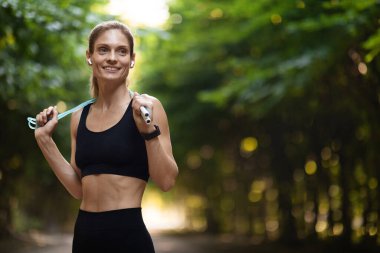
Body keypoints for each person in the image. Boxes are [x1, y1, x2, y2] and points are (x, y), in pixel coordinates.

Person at [34, 20, 179, 252]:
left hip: (128, 237)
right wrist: (45, 141)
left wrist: (148, 132)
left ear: (132, 60)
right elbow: (78, 189)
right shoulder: (78, 117)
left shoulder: (148, 108)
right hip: (84, 236)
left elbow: (166, 181)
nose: (112, 57)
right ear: (89, 56)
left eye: (121, 51)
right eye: (103, 49)